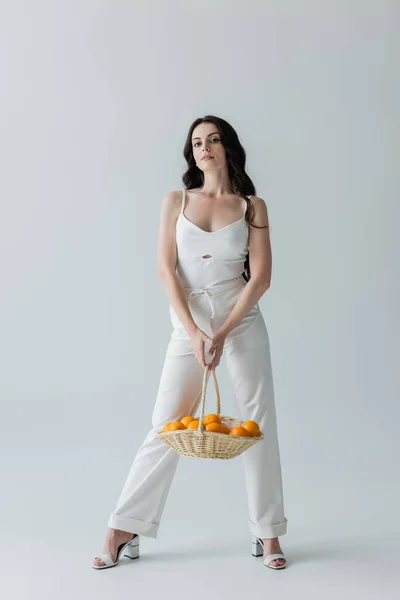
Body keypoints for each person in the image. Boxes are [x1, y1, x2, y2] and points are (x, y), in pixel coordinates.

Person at [92, 115, 288, 570]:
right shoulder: (175, 201)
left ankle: (269, 533)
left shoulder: (252, 206)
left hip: (240, 319)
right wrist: (196, 331)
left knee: (258, 422)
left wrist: (220, 332)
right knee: (166, 423)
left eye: (214, 139)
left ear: (228, 147)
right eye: (198, 141)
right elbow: (166, 271)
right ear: (191, 152)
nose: (205, 147)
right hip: (188, 322)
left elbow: (261, 279)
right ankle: (124, 527)